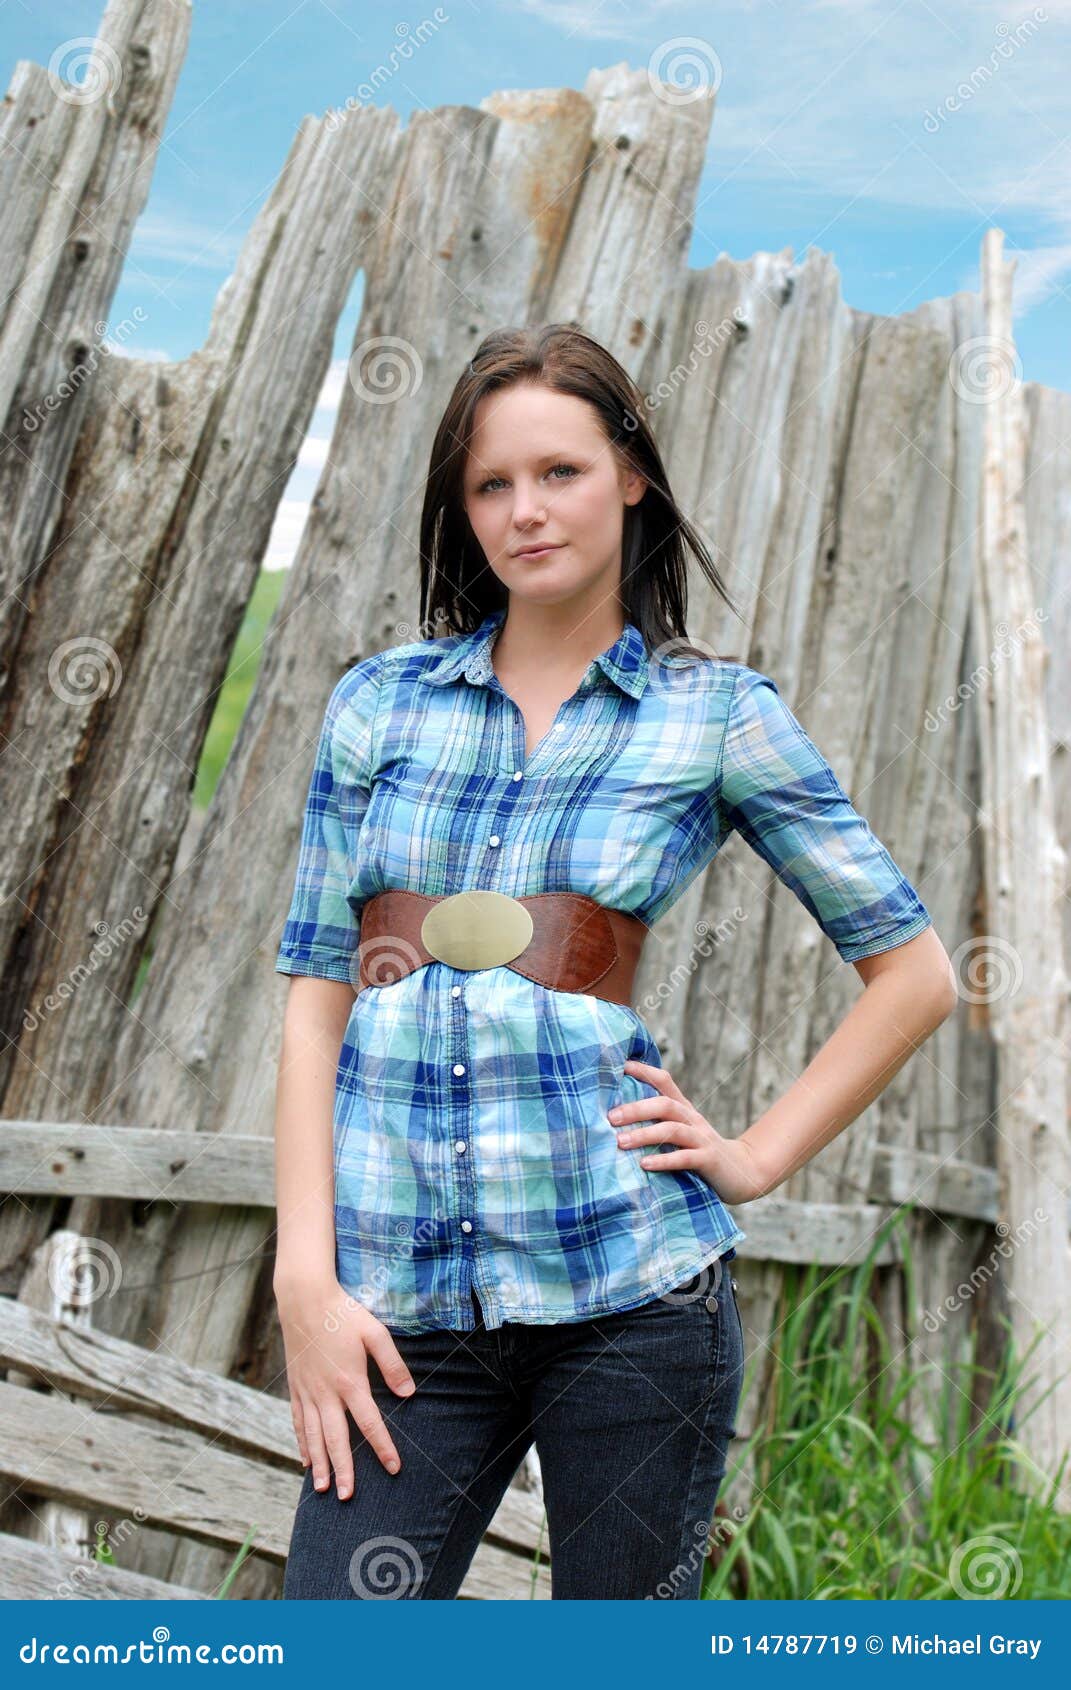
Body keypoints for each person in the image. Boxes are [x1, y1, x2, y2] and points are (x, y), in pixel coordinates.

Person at [272, 323, 957, 1601]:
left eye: (560, 473)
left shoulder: (715, 716)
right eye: (490, 485)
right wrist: (306, 1279)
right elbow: (317, 999)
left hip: (632, 1301)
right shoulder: (379, 703)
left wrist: (753, 1159)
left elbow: (916, 972)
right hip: (402, 1311)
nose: (524, 511)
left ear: (631, 475)